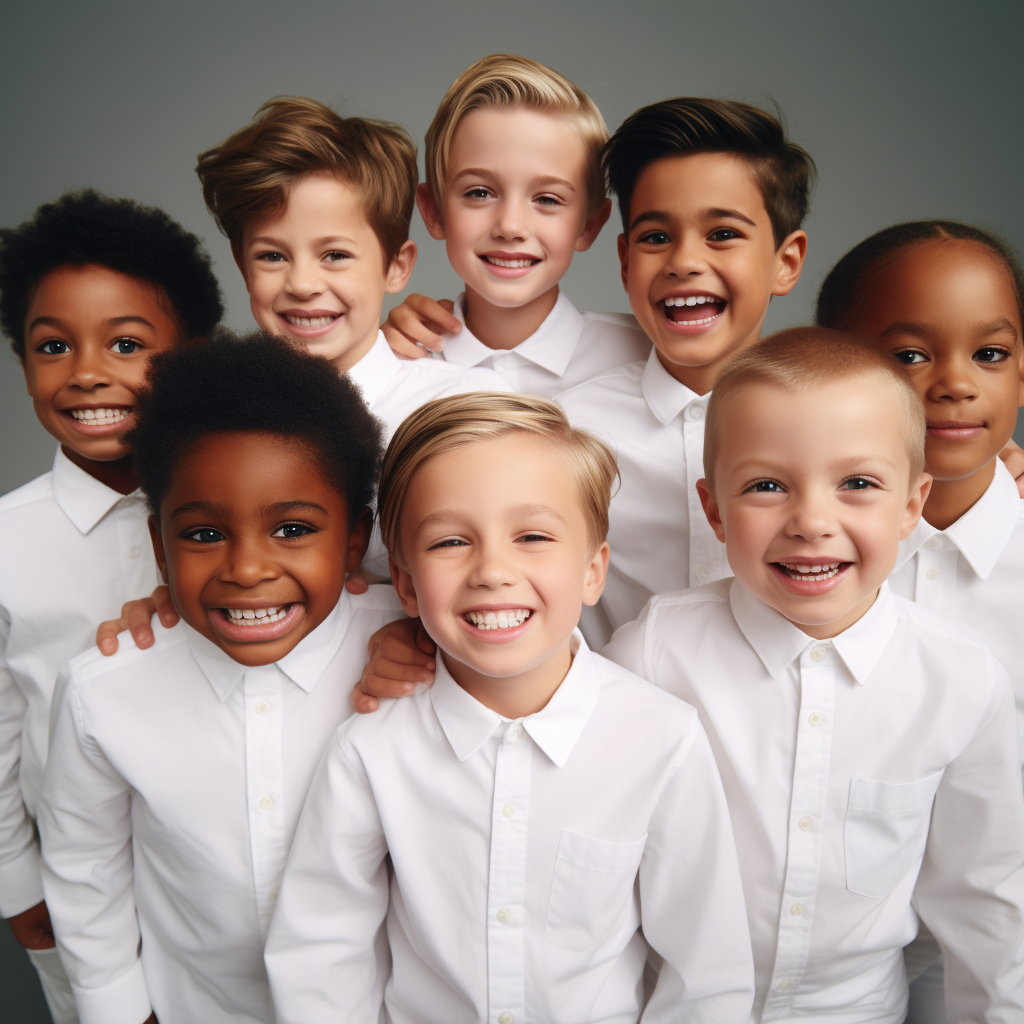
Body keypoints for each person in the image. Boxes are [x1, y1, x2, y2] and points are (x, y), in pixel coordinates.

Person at [264, 393, 754, 1023]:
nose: (493, 570)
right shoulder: (371, 749)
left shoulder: (662, 738)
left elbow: (705, 971)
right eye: (449, 542)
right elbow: (321, 951)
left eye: (532, 536)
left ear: (592, 571)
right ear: (407, 586)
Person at [603, 328, 1024, 1022]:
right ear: (714, 510)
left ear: (911, 506)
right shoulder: (654, 652)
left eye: (857, 484)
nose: (811, 522)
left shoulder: (961, 680)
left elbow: (987, 903)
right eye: (767, 486)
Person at [37, 333, 405, 1024]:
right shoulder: (102, 693)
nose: (246, 568)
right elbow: (86, 869)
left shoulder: (415, 647)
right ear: (158, 544)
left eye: (292, 529)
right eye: (204, 535)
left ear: (355, 540)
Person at [0, 189, 222, 1024]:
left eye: (127, 344)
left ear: (193, 352)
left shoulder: (234, 520)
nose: (88, 372)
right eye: (51, 345)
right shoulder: (7, 540)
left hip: (220, 880)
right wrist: (20, 894)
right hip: (82, 895)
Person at [816, 219, 1024, 1024]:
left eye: (991, 354)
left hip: (994, 938)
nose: (955, 382)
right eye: (909, 355)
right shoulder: (799, 559)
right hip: (828, 943)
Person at [558, 96, 812, 645]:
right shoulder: (568, 429)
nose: (684, 261)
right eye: (656, 237)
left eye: (722, 233)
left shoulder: (838, 420)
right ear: (625, 262)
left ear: (785, 262)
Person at [379, 53, 650, 395]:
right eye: (479, 193)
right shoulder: (396, 362)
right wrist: (374, 355)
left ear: (589, 225)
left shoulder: (646, 356)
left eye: (547, 199)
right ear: (433, 212)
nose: (510, 226)